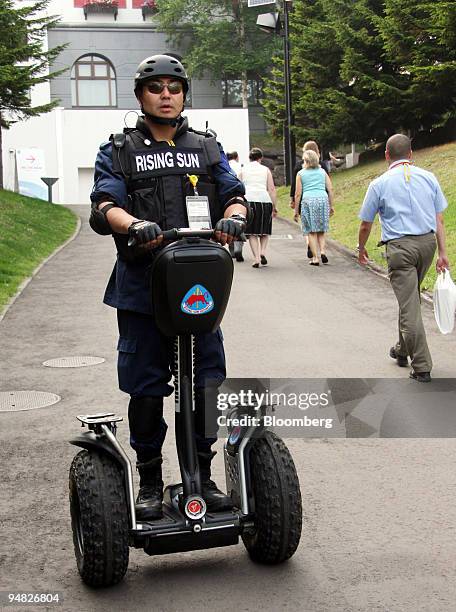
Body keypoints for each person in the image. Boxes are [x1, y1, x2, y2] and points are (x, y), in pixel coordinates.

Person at [89, 54, 248, 520]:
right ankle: (152, 481)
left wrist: (233, 220)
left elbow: (233, 194)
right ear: (140, 95)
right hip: (142, 287)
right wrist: (133, 223)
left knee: (206, 384)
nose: (165, 95)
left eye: (173, 88)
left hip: (197, 286)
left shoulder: (206, 146)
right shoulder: (119, 149)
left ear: (182, 95)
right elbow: (104, 204)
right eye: (155, 88)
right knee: (146, 387)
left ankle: (203, 473)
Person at [358, 133, 449, 383]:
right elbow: (439, 218)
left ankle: (421, 365)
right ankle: (402, 349)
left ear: (386, 155)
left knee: (410, 304)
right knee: (410, 298)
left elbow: (366, 223)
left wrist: (361, 248)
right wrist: (443, 253)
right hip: (427, 245)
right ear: (411, 154)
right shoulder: (429, 177)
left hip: (400, 248)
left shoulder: (379, 183)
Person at [294, 150, 334, 265]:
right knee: (321, 230)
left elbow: (298, 194)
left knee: (311, 231)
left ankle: (315, 258)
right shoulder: (322, 172)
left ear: (305, 161)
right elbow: (330, 189)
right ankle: (322, 252)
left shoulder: (301, 174)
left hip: (308, 201)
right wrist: (331, 206)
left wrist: (296, 211)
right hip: (322, 200)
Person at [240, 147, 277, 268]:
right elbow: (271, 189)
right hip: (264, 200)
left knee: (252, 232)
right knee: (264, 230)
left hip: (249, 201)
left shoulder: (243, 170)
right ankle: (263, 252)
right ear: (261, 158)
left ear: (250, 158)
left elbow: (238, 187)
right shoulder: (265, 170)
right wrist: (274, 206)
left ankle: (256, 258)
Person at [227, 151, 245, 262]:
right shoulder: (240, 166)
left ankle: (231, 246)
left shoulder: (224, 166)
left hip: (227, 196)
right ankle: (239, 246)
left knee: (228, 221)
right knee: (239, 218)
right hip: (239, 195)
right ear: (237, 157)